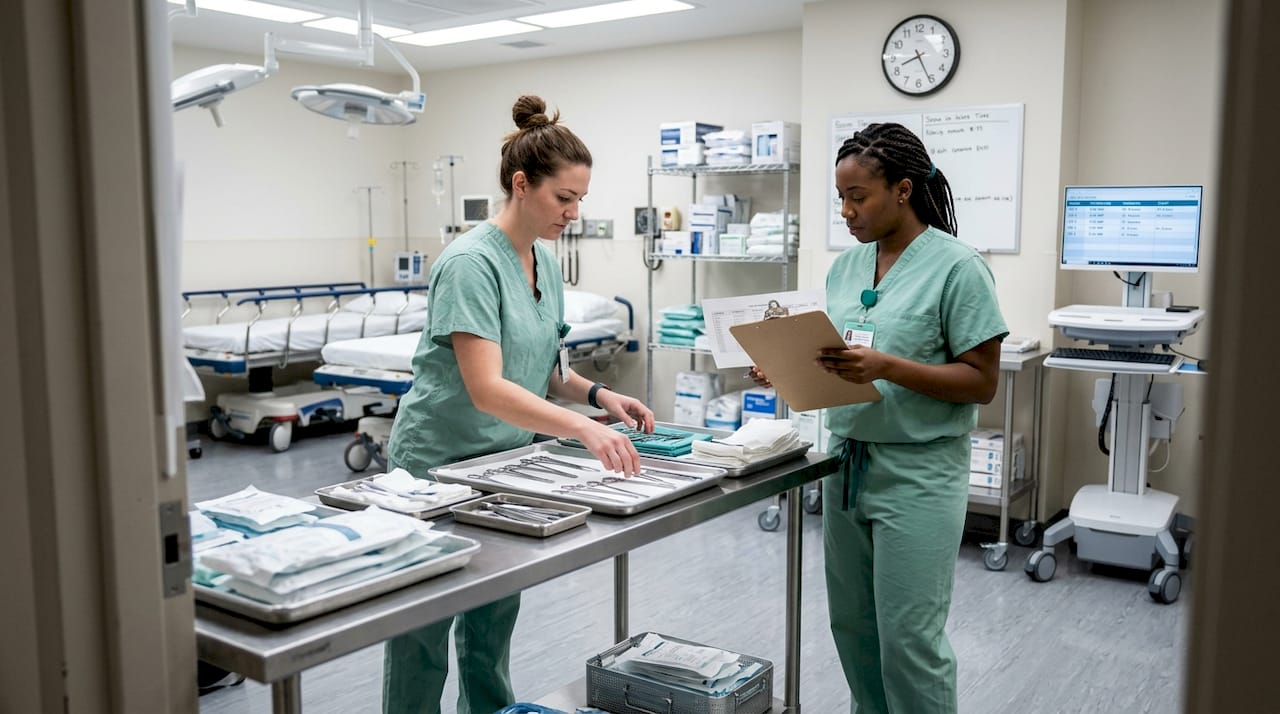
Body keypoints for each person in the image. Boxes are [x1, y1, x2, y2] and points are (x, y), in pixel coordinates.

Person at [381, 95, 655, 714]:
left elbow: (546, 369)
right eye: (564, 198)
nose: (574, 212)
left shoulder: (545, 263)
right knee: (423, 630)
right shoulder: (470, 264)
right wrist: (582, 432)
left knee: (491, 620)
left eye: (581, 199)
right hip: (435, 465)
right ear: (521, 183)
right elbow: (488, 386)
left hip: (501, 463)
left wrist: (601, 395)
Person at [752, 122, 1007, 713]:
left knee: (909, 640)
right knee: (855, 630)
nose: (846, 211)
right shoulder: (846, 269)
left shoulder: (958, 268)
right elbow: (840, 360)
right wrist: (785, 367)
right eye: (840, 198)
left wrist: (888, 366)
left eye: (857, 196)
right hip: (846, 466)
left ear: (903, 189)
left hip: (918, 474)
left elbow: (983, 382)